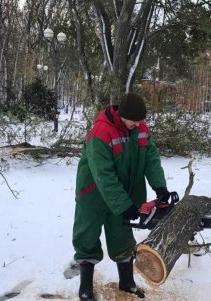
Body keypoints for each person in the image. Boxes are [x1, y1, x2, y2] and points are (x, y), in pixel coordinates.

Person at [72, 92, 171, 300]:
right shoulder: (101, 132)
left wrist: (160, 186)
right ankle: (85, 287)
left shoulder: (140, 128)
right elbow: (103, 175)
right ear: (122, 115)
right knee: (87, 237)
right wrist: (124, 203)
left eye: (140, 120)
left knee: (122, 236)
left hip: (124, 194)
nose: (138, 124)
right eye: (134, 120)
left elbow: (151, 158)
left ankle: (127, 282)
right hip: (93, 194)